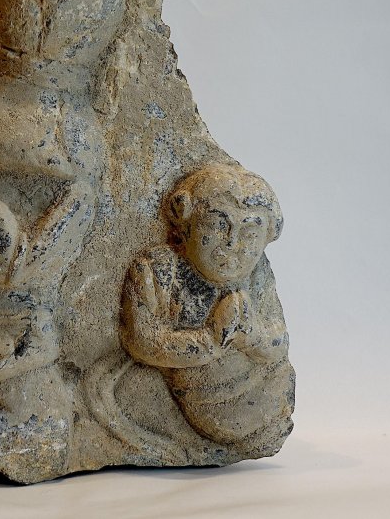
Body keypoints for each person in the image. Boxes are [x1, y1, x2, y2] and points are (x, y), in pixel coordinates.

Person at [121, 163, 295, 456]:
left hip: (263, 391)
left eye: (250, 233)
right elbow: (142, 342)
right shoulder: (158, 270)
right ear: (186, 223)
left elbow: (278, 341)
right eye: (217, 225)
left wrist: (253, 335)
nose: (232, 244)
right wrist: (210, 340)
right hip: (197, 398)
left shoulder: (257, 274)